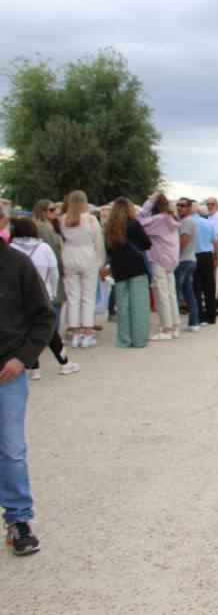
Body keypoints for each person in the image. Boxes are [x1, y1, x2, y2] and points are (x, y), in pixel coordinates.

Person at [0, 229, 55, 555]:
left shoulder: (17, 265)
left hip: (8, 374)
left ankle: (19, 519)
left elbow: (44, 317)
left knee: (11, 450)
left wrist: (23, 358)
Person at [9, 219, 80, 378]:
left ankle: (34, 368)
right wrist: (53, 292)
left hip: (18, 298)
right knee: (48, 330)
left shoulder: (11, 249)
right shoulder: (44, 248)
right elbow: (54, 273)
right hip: (42, 294)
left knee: (26, 332)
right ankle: (64, 362)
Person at [104, 197, 152, 348]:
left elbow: (109, 250)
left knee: (123, 305)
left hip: (119, 268)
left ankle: (124, 339)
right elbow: (147, 244)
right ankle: (139, 338)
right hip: (136, 266)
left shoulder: (109, 227)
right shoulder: (134, 225)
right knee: (139, 304)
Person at [60, 190, 104, 348]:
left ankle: (75, 333)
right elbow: (98, 242)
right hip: (88, 256)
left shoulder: (63, 220)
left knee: (73, 297)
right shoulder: (91, 219)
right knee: (88, 297)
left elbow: (62, 242)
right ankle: (87, 333)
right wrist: (101, 262)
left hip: (70, 256)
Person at [139, 192, 181, 341]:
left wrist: (149, 200)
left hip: (159, 258)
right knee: (171, 294)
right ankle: (174, 325)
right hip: (171, 258)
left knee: (161, 293)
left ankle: (166, 328)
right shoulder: (171, 218)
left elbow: (140, 221)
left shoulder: (158, 219)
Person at [32, 200, 67, 334]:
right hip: (49, 266)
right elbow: (54, 249)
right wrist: (61, 267)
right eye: (51, 210)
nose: (54, 213)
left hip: (36, 266)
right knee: (56, 299)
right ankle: (52, 333)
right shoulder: (45, 227)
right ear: (42, 211)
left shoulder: (35, 224)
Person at [175, 198, 201, 332]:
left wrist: (174, 257)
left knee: (176, 291)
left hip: (183, 260)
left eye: (183, 205)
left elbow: (183, 241)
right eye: (178, 205)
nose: (179, 208)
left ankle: (173, 323)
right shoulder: (188, 221)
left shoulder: (186, 222)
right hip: (190, 259)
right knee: (188, 291)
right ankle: (194, 321)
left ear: (190, 207)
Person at [192, 204, 218, 325]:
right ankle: (211, 315)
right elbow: (215, 242)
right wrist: (216, 257)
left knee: (196, 287)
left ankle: (200, 315)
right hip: (207, 255)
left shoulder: (187, 223)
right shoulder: (208, 223)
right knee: (209, 286)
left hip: (193, 256)